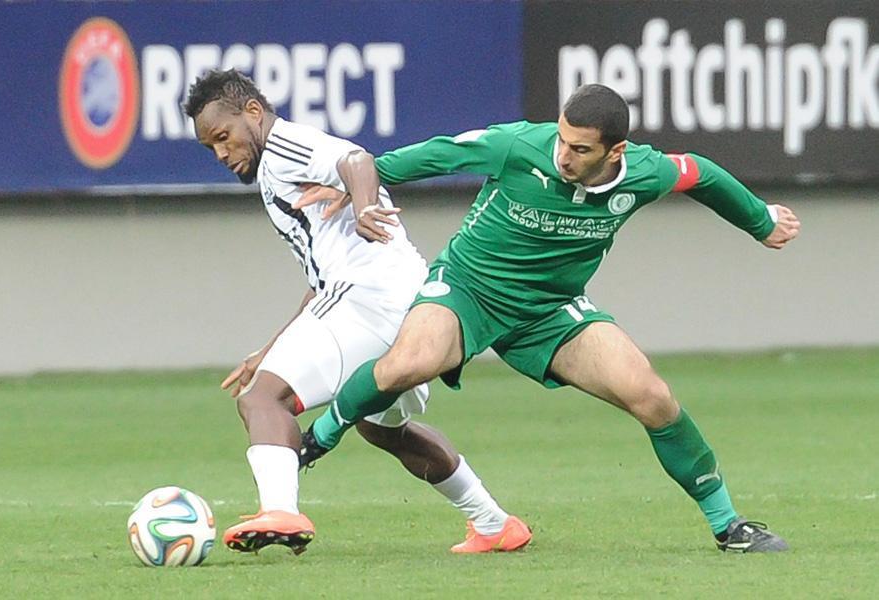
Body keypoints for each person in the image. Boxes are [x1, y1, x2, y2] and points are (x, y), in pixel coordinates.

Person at [296, 83, 800, 553]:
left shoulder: (645, 172)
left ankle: (728, 524)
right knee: (409, 364)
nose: (564, 155)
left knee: (652, 396)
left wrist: (760, 220)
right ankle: (316, 440)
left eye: (580, 149)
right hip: (469, 290)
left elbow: (699, 173)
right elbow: (441, 154)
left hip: (551, 309)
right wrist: (357, 183)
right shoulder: (518, 145)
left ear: (615, 152)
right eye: (562, 140)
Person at [183, 69, 531, 555]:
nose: (222, 153)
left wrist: (365, 207)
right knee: (384, 429)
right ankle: (494, 524)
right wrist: (269, 349)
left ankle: (281, 511)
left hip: (370, 294)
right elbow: (319, 284)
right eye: (211, 147)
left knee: (262, 399)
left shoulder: (284, 146)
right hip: (402, 298)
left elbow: (356, 160)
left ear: (254, 113)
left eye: (224, 137)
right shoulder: (273, 172)